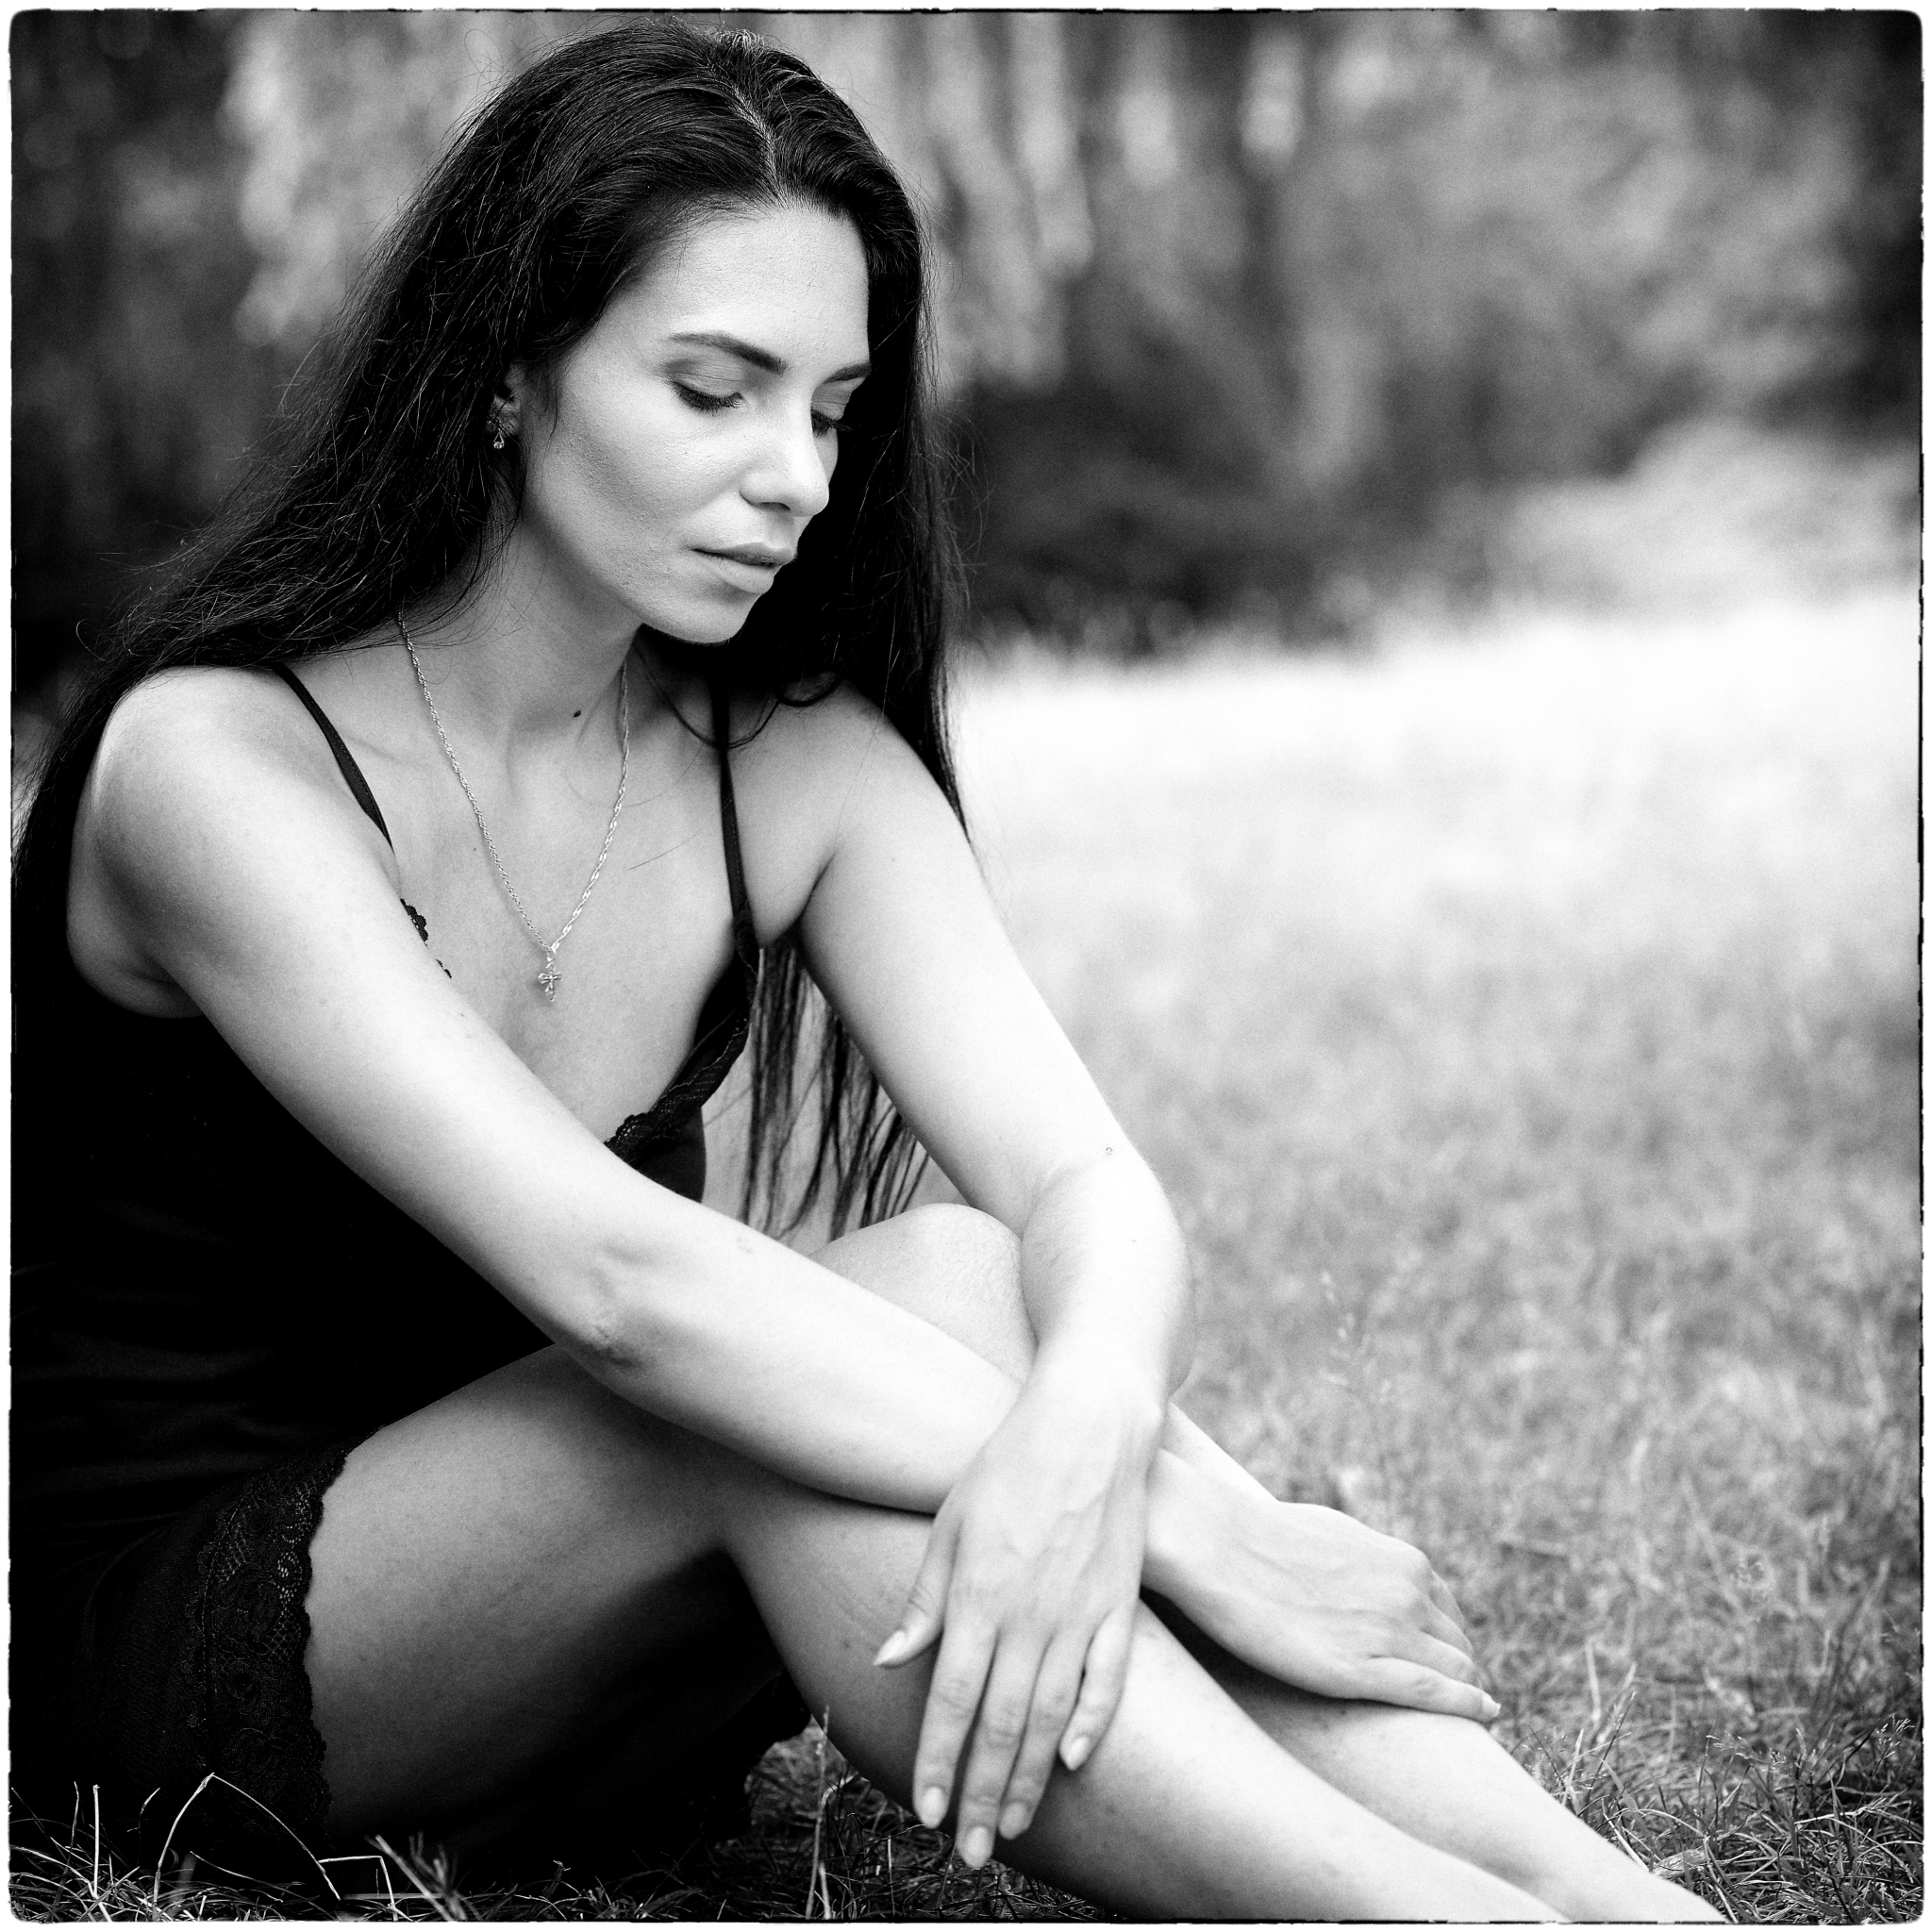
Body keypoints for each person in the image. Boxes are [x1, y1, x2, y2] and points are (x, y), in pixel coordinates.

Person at [11, 23, 1719, 1921]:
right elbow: (618, 1288)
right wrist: (1194, 1525)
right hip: (206, 1663)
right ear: (507, 372)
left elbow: (1085, 1186)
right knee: (762, 1388)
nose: (796, 480)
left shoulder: (793, 760)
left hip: (583, 1650)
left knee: (962, 1281)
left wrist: (1091, 1425)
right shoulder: (216, 765)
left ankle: (1622, 1904)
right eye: (713, 389)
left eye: (832, 410)